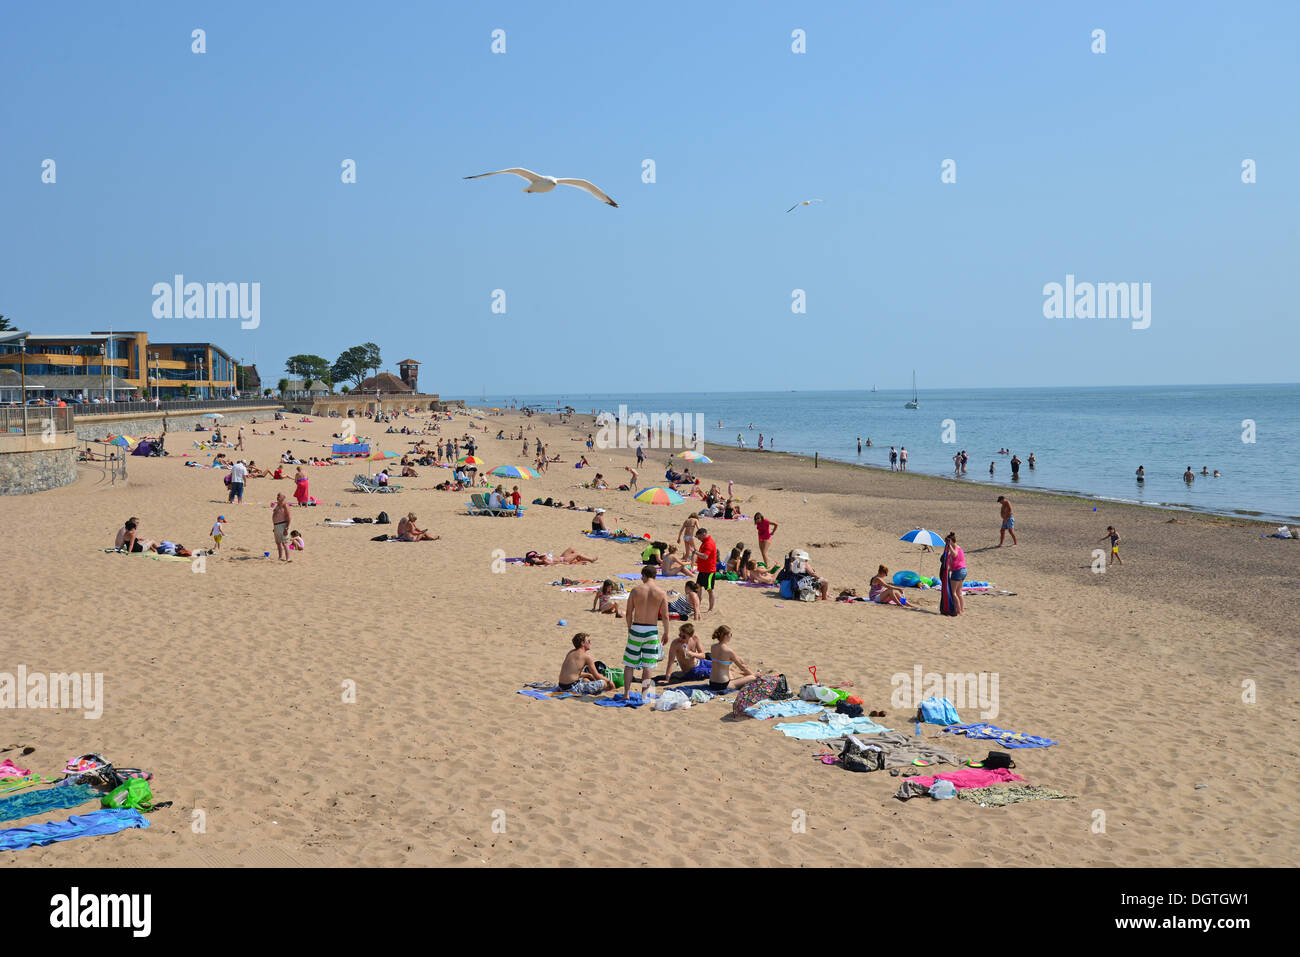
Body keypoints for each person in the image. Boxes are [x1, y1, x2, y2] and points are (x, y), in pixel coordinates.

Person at [622, 565, 670, 697]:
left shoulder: (636, 590)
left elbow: (628, 613)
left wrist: (629, 627)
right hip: (651, 630)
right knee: (647, 665)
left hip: (636, 627)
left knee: (629, 664)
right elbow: (665, 616)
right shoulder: (661, 593)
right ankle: (644, 694)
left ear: (644, 575)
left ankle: (626, 693)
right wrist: (666, 632)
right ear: (655, 576)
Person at [706, 626, 759, 692]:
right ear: (725, 636)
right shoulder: (729, 651)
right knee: (754, 677)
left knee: (729, 671)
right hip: (723, 685)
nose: (731, 636)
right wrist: (754, 675)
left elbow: (721, 661)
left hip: (712, 683)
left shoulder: (713, 647)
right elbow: (742, 667)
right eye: (730, 634)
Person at [694, 527, 720, 613]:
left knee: (710, 590)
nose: (699, 539)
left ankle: (710, 609)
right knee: (698, 588)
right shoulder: (704, 542)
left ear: (703, 534)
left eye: (699, 537)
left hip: (709, 571)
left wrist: (695, 552)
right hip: (702, 570)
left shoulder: (709, 543)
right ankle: (697, 606)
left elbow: (705, 556)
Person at [941, 533, 966, 615]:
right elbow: (956, 561)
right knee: (959, 592)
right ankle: (962, 610)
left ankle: (959, 610)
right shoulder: (959, 548)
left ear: (950, 541)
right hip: (963, 571)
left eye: (947, 542)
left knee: (953, 592)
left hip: (958, 572)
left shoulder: (955, 548)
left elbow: (954, 554)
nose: (946, 544)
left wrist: (949, 546)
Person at [272, 493, 292, 562]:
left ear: (283, 497)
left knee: (285, 542)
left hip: (283, 525)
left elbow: (289, 517)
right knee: (278, 542)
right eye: (277, 496)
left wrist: (286, 528)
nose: (277, 497)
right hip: (276, 525)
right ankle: (280, 557)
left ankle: (288, 558)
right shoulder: (277, 505)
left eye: (279, 496)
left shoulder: (285, 505)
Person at [524, 548, 596, 565]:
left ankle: (579, 559)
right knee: (577, 554)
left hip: (561, 557)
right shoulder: (538, 560)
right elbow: (549, 563)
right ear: (532, 558)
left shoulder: (539, 557)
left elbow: (545, 554)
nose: (537, 555)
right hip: (563, 560)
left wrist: (539, 555)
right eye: (535, 555)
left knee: (571, 549)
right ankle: (591, 560)